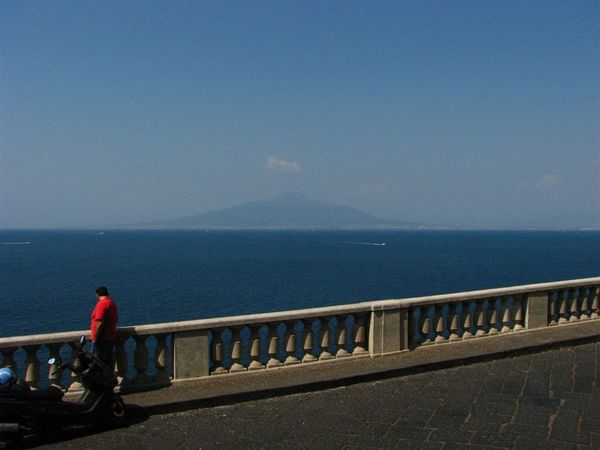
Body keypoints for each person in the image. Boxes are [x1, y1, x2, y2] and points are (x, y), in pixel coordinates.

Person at [90, 286, 118, 370]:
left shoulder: (101, 304)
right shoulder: (111, 303)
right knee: (108, 364)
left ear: (97, 295)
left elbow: (99, 322)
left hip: (101, 340)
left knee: (98, 364)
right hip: (110, 337)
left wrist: (95, 339)